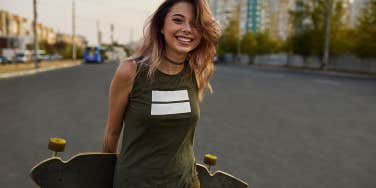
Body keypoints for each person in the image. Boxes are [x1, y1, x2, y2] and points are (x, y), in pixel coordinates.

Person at [102, 0, 220, 187]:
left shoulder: (196, 73)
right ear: (161, 27)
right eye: (178, 20)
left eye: (195, 24)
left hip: (186, 182)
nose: (187, 29)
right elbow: (112, 132)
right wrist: (105, 177)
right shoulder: (130, 71)